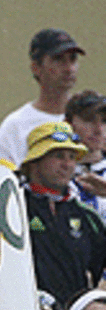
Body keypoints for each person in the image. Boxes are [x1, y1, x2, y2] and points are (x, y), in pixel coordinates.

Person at [21, 122, 106, 310]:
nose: (67, 164)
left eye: (72, 158)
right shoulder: (14, 206)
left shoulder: (86, 216)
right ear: (34, 161)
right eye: (58, 156)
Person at [0, 29, 86, 166]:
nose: (69, 68)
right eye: (58, 59)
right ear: (36, 67)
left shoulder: (95, 122)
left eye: (73, 59)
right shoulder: (16, 126)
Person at [66, 90, 106, 222]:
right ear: (68, 124)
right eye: (89, 120)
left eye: (104, 121)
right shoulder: (54, 172)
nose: (98, 129)